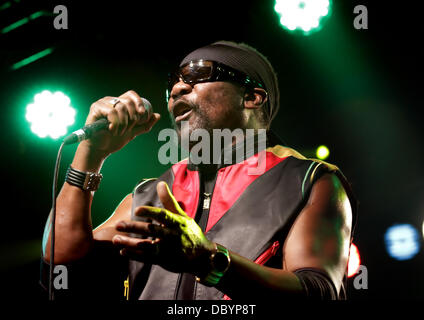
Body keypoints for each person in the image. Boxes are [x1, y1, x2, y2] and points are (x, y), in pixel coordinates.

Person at [40, 41, 357, 300]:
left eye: (197, 74)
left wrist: (207, 261)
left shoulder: (309, 180)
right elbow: (62, 264)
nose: (178, 88)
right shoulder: (151, 192)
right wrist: (91, 154)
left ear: (252, 97)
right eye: (173, 82)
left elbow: (319, 292)